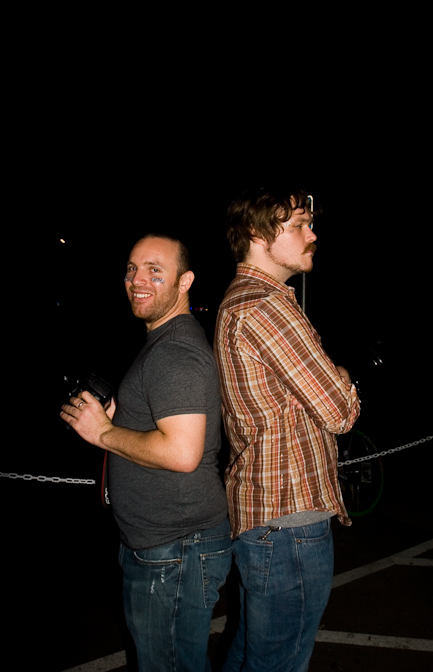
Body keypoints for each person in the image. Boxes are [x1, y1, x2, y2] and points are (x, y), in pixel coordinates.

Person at [61, 233, 231, 672]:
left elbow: (182, 452)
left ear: (184, 281)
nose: (138, 280)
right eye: (132, 269)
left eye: (156, 271)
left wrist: (103, 433)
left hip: (174, 551)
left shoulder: (174, 351)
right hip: (169, 547)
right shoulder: (165, 340)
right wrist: (120, 420)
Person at [214, 188, 361, 671]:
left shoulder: (240, 301)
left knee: (251, 653)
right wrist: (343, 376)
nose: (312, 235)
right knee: (279, 662)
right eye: (298, 224)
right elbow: (339, 411)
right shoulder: (265, 306)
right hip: (289, 522)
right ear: (256, 234)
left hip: (267, 520)